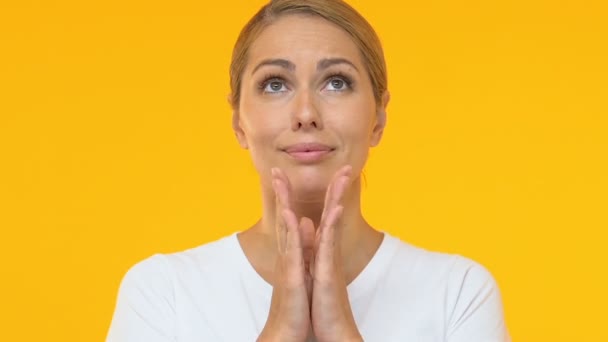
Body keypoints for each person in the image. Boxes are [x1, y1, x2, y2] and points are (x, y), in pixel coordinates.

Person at [106, 0, 511, 341]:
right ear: (237, 122)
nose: (305, 114)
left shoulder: (457, 293)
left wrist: (340, 329)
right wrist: (280, 329)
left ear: (379, 118)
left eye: (336, 82)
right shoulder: (163, 292)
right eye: (275, 84)